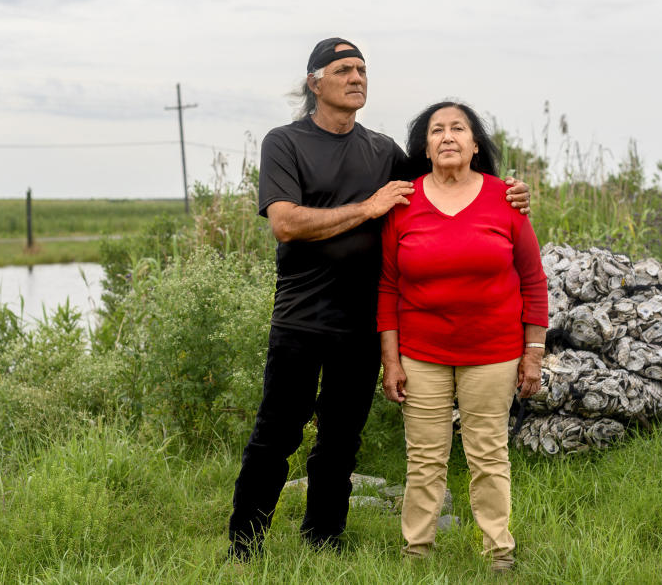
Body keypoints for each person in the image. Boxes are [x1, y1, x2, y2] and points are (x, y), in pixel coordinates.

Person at [227, 39, 531, 560]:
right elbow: (285, 222)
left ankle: (324, 540)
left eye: (362, 70)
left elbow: (449, 176)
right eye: (343, 70)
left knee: (341, 440)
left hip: (363, 323)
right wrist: (367, 208)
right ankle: (244, 547)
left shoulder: (383, 150)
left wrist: (508, 193)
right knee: (276, 434)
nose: (356, 78)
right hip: (301, 317)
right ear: (314, 82)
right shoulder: (285, 142)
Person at [378, 101, 549, 572]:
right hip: (421, 354)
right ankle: (416, 553)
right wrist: (390, 362)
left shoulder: (506, 199)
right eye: (437, 130)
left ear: (476, 145)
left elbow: (533, 280)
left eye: (459, 128)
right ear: (425, 146)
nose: (447, 136)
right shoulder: (403, 201)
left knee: (488, 455)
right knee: (425, 460)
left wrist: (533, 353)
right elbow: (388, 286)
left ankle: (499, 554)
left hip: (493, 353)